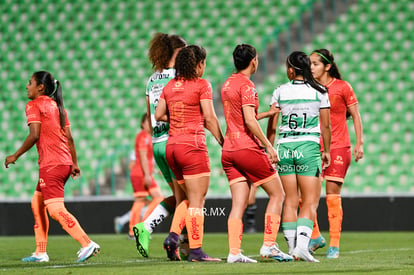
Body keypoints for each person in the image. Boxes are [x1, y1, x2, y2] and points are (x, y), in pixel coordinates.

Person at [4, 71, 100, 263]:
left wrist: (15, 155)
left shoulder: (33, 105)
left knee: (55, 210)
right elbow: (70, 138)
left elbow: (34, 135)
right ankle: (40, 252)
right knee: (37, 203)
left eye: (30, 83)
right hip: (63, 162)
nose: (26, 86)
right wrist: (74, 163)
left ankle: (87, 243)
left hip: (51, 164)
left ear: (41, 87)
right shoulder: (58, 107)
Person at [221, 44, 293, 263]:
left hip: (228, 150)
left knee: (238, 204)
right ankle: (269, 245)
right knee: (278, 194)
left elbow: (241, 118)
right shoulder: (248, 86)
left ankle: (234, 251)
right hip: (246, 148)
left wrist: (267, 114)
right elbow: (249, 122)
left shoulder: (227, 84)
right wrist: (269, 147)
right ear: (253, 61)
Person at [155, 45, 224, 262]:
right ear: (198, 64)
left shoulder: (169, 85)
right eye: (203, 63)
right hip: (192, 147)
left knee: (184, 197)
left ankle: (173, 237)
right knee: (197, 201)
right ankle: (196, 251)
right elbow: (211, 118)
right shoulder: (202, 85)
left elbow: (158, 115)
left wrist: (177, 119)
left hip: (172, 147)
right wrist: (223, 141)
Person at [267, 51, 331, 262]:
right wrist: (327, 151)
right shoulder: (319, 92)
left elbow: (272, 126)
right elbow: (326, 126)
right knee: (310, 201)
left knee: (291, 201)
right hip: (308, 148)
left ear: (292, 69)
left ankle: (293, 247)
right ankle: (302, 247)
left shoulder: (279, 91)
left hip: (285, 148)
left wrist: (270, 148)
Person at [133, 32, 188, 259]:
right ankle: (161, 234)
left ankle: (177, 245)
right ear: (176, 53)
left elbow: (149, 115)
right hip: (173, 141)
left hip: (157, 143)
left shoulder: (152, 79)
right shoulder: (178, 77)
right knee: (189, 198)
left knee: (178, 197)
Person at [308, 49, 364, 259]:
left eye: (315, 64)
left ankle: (334, 245)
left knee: (332, 196)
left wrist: (359, 143)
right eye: (309, 64)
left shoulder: (342, 87)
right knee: (306, 197)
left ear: (327, 66)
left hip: (339, 146)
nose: (311, 68)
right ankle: (315, 236)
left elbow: (356, 115)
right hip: (313, 147)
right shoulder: (309, 87)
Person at [127, 113, 164, 238]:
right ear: (142, 124)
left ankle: (142, 225)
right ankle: (133, 230)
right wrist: (147, 175)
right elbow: (142, 157)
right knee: (140, 200)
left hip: (145, 173)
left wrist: (154, 170)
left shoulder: (150, 136)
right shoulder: (143, 136)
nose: (150, 124)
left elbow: (148, 159)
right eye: (147, 121)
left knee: (158, 198)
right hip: (140, 174)